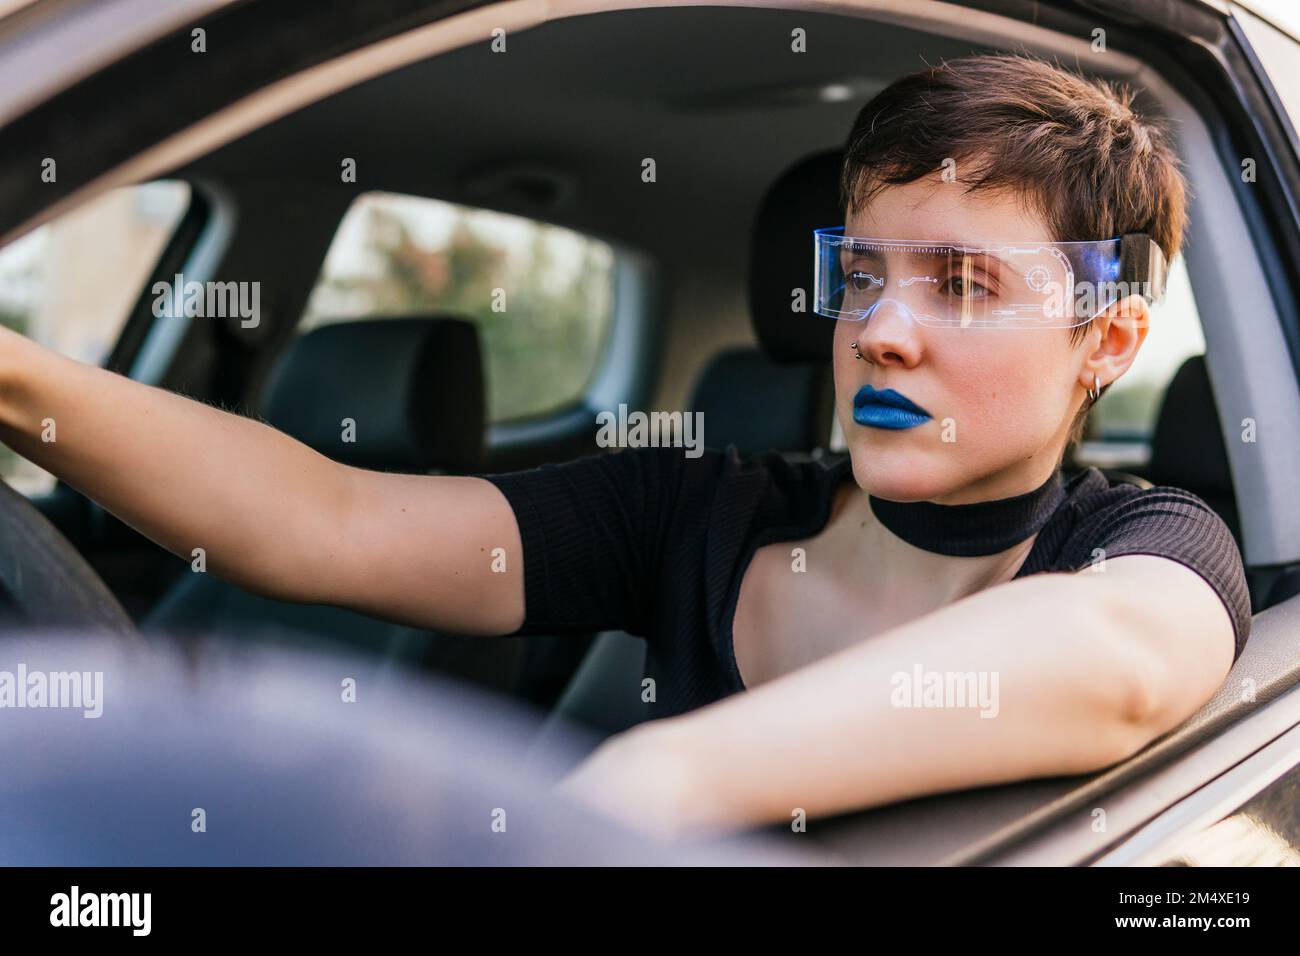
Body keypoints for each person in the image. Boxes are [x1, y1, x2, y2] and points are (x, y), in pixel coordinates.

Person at [0, 54, 1250, 840]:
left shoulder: (1142, 545)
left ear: (1105, 339)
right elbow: (317, 518)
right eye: (860, 275)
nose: (882, 333)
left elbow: (1124, 656)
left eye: (965, 283)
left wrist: (645, 783)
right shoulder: (693, 508)